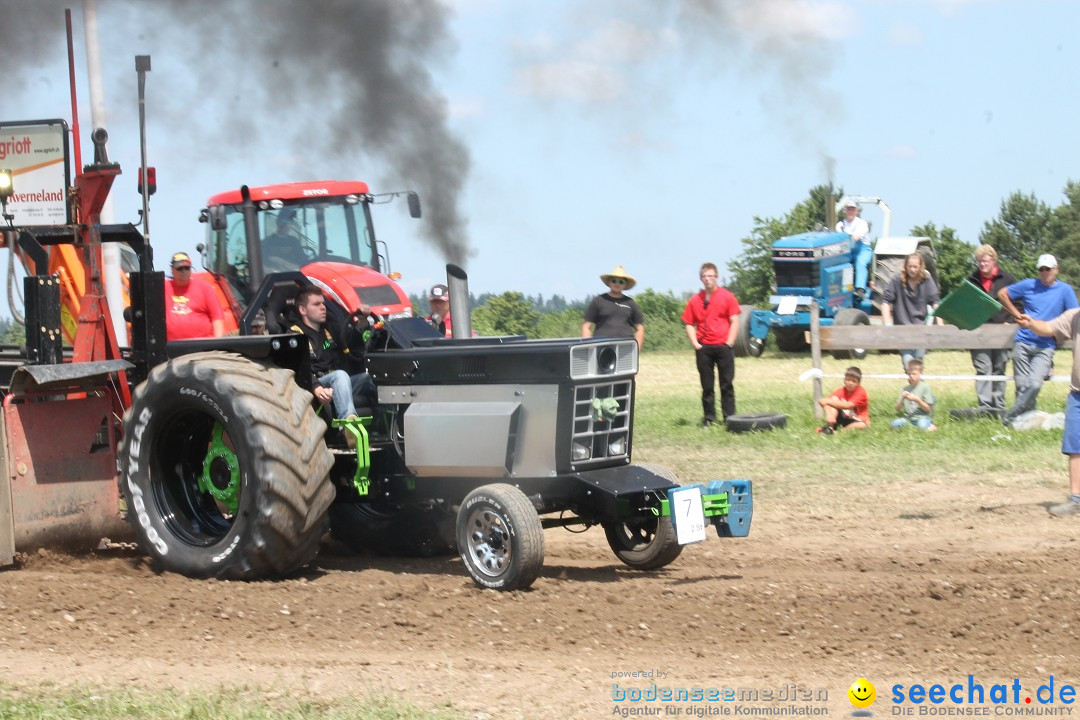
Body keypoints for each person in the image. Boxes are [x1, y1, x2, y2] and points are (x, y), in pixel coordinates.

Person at [997, 253, 1079, 427]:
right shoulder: (1029, 284)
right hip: (1023, 341)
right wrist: (1017, 315)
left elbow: (1074, 317)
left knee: (1034, 385)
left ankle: (1011, 416)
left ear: (1056, 270)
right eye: (1041, 269)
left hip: (1046, 345)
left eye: (1048, 269)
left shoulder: (1065, 290)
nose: (1044, 272)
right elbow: (1002, 294)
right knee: (1021, 385)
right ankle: (1023, 422)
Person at [1015, 306, 1080, 516]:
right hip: (1077, 393)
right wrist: (1030, 323)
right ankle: (1076, 499)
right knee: (1074, 445)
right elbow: (1049, 328)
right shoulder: (1074, 316)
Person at [290, 285, 376, 421]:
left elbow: (350, 342)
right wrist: (316, 388)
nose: (323, 307)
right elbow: (297, 367)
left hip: (339, 385)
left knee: (372, 378)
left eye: (323, 303)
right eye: (316, 304)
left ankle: (386, 427)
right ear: (302, 309)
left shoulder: (329, 329)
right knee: (340, 376)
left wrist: (362, 321)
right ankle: (349, 424)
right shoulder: (295, 334)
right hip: (315, 386)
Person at [681, 262, 741, 428]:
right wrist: (695, 344)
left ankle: (729, 418)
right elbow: (688, 323)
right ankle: (709, 418)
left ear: (717, 278)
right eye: (705, 277)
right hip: (704, 348)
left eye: (711, 276)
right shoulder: (695, 300)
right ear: (701, 279)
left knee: (727, 384)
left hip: (723, 345)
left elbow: (734, 320)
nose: (708, 280)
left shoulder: (727, 297)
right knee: (707, 386)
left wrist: (730, 342)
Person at [967, 244, 1018, 417]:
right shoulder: (971, 280)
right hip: (979, 333)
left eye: (985, 261)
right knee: (983, 368)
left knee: (999, 368)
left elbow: (1019, 304)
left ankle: (998, 407)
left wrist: (1010, 321)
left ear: (994, 261)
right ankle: (984, 408)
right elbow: (965, 304)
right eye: (979, 261)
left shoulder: (1008, 279)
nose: (982, 264)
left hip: (1002, 332)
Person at [882, 252, 940, 370]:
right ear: (905, 266)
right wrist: (887, 325)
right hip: (903, 330)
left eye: (915, 267)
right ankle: (915, 386)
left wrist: (940, 324)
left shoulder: (927, 280)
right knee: (908, 363)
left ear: (921, 267)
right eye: (910, 266)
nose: (912, 270)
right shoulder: (897, 280)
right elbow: (885, 302)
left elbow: (935, 303)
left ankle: (920, 388)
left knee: (918, 363)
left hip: (921, 330)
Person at [164, 251, 225, 341]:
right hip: (172, 348)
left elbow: (217, 317)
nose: (184, 271)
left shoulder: (204, 287)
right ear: (172, 270)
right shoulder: (163, 288)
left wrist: (218, 344)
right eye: (180, 268)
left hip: (202, 348)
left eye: (187, 268)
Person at [581, 264, 645, 350]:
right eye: (614, 281)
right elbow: (586, 326)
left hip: (626, 348)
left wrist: (637, 350)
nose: (617, 284)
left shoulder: (631, 303)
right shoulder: (598, 300)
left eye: (621, 282)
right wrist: (588, 348)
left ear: (625, 284)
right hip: (601, 347)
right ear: (609, 282)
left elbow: (640, 329)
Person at [817, 366, 869, 434]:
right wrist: (828, 414)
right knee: (834, 399)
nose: (850, 383)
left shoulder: (861, 392)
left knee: (862, 425)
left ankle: (839, 433)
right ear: (844, 380)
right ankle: (829, 428)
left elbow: (848, 405)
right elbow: (822, 401)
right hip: (842, 418)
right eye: (848, 380)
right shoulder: (841, 390)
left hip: (857, 420)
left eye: (854, 381)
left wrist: (828, 401)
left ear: (859, 383)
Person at [837, 199, 872, 299]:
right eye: (849, 209)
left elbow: (855, 238)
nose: (851, 211)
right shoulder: (840, 225)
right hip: (847, 250)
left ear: (857, 211)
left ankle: (860, 289)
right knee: (842, 264)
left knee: (860, 262)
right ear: (845, 211)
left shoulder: (862, 224)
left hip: (863, 249)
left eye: (853, 209)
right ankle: (844, 289)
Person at [890, 358, 937, 431]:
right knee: (893, 424)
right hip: (909, 418)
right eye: (909, 374)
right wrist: (902, 399)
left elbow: (928, 409)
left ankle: (931, 426)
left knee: (922, 426)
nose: (911, 376)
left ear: (920, 374)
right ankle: (918, 427)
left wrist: (917, 400)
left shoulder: (925, 387)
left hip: (922, 417)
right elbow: (897, 409)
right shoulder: (905, 389)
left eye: (914, 374)